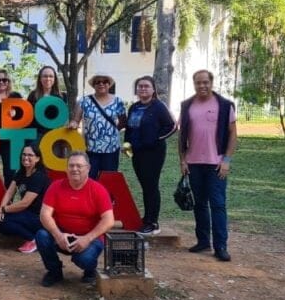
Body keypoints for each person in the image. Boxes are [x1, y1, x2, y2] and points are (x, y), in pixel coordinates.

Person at [178, 70, 237, 262]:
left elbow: (233, 135)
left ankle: (221, 246)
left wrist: (226, 161)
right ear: (193, 84)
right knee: (200, 204)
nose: (202, 86)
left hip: (216, 165)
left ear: (211, 83)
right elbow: (182, 135)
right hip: (194, 164)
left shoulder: (225, 105)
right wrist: (183, 160)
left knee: (218, 205)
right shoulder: (187, 105)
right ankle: (203, 240)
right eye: (198, 83)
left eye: (205, 82)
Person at [35, 152, 115, 287]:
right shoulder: (55, 186)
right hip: (63, 235)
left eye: (79, 166)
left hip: (90, 238)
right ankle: (54, 272)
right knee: (41, 236)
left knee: (84, 259)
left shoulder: (98, 190)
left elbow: (109, 220)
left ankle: (90, 271)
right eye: (71, 165)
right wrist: (58, 235)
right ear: (66, 168)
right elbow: (44, 214)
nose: (74, 169)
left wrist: (87, 238)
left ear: (88, 168)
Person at [124, 76, 176, 236]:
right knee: (145, 186)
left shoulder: (159, 107)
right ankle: (147, 218)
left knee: (151, 186)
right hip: (137, 153)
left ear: (153, 90)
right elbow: (129, 128)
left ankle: (153, 222)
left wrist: (154, 139)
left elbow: (171, 126)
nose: (143, 89)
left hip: (153, 153)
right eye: (140, 86)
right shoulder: (134, 107)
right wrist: (127, 144)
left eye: (146, 86)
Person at [0, 143, 50, 253]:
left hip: (40, 217)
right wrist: (2, 210)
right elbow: (9, 192)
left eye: (30, 155)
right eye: (24, 154)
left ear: (37, 158)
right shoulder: (21, 172)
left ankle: (34, 240)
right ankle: (34, 238)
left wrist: (3, 210)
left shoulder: (38, 176)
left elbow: (24, 203)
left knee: (4, 222)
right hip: (29, 214)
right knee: (1, 219)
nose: (26, 157)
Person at [73, 74, 126, 179]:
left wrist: (111, 131)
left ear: (109, 84)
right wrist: (73, 123)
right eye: (98, 82)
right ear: (93, 85)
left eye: (105, 81)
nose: (101, 84)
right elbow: (76, 119)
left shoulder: (118, 101)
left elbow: (124, 122)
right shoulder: (85, 101)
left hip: (111, 149)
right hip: (91, 148)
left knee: (108, 179)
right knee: (89, 178)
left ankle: (106, 196)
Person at [0, 68, 23, 185]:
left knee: (10, 173)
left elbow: (25, 117)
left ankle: (9, 201)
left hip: (11, 141)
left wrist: (15, 115)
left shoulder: (16, 96)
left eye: (4, 80)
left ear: (8, 82)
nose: (1, 82)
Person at [27, 65, 67, 159]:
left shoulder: (62, 97)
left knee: (54, 165)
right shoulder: (33, 95)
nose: (48, 78)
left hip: (55, 137)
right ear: (40, 79)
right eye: (45, 76)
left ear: (55, 79)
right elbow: (28, 116)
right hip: (36, 136)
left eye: (50, 76)